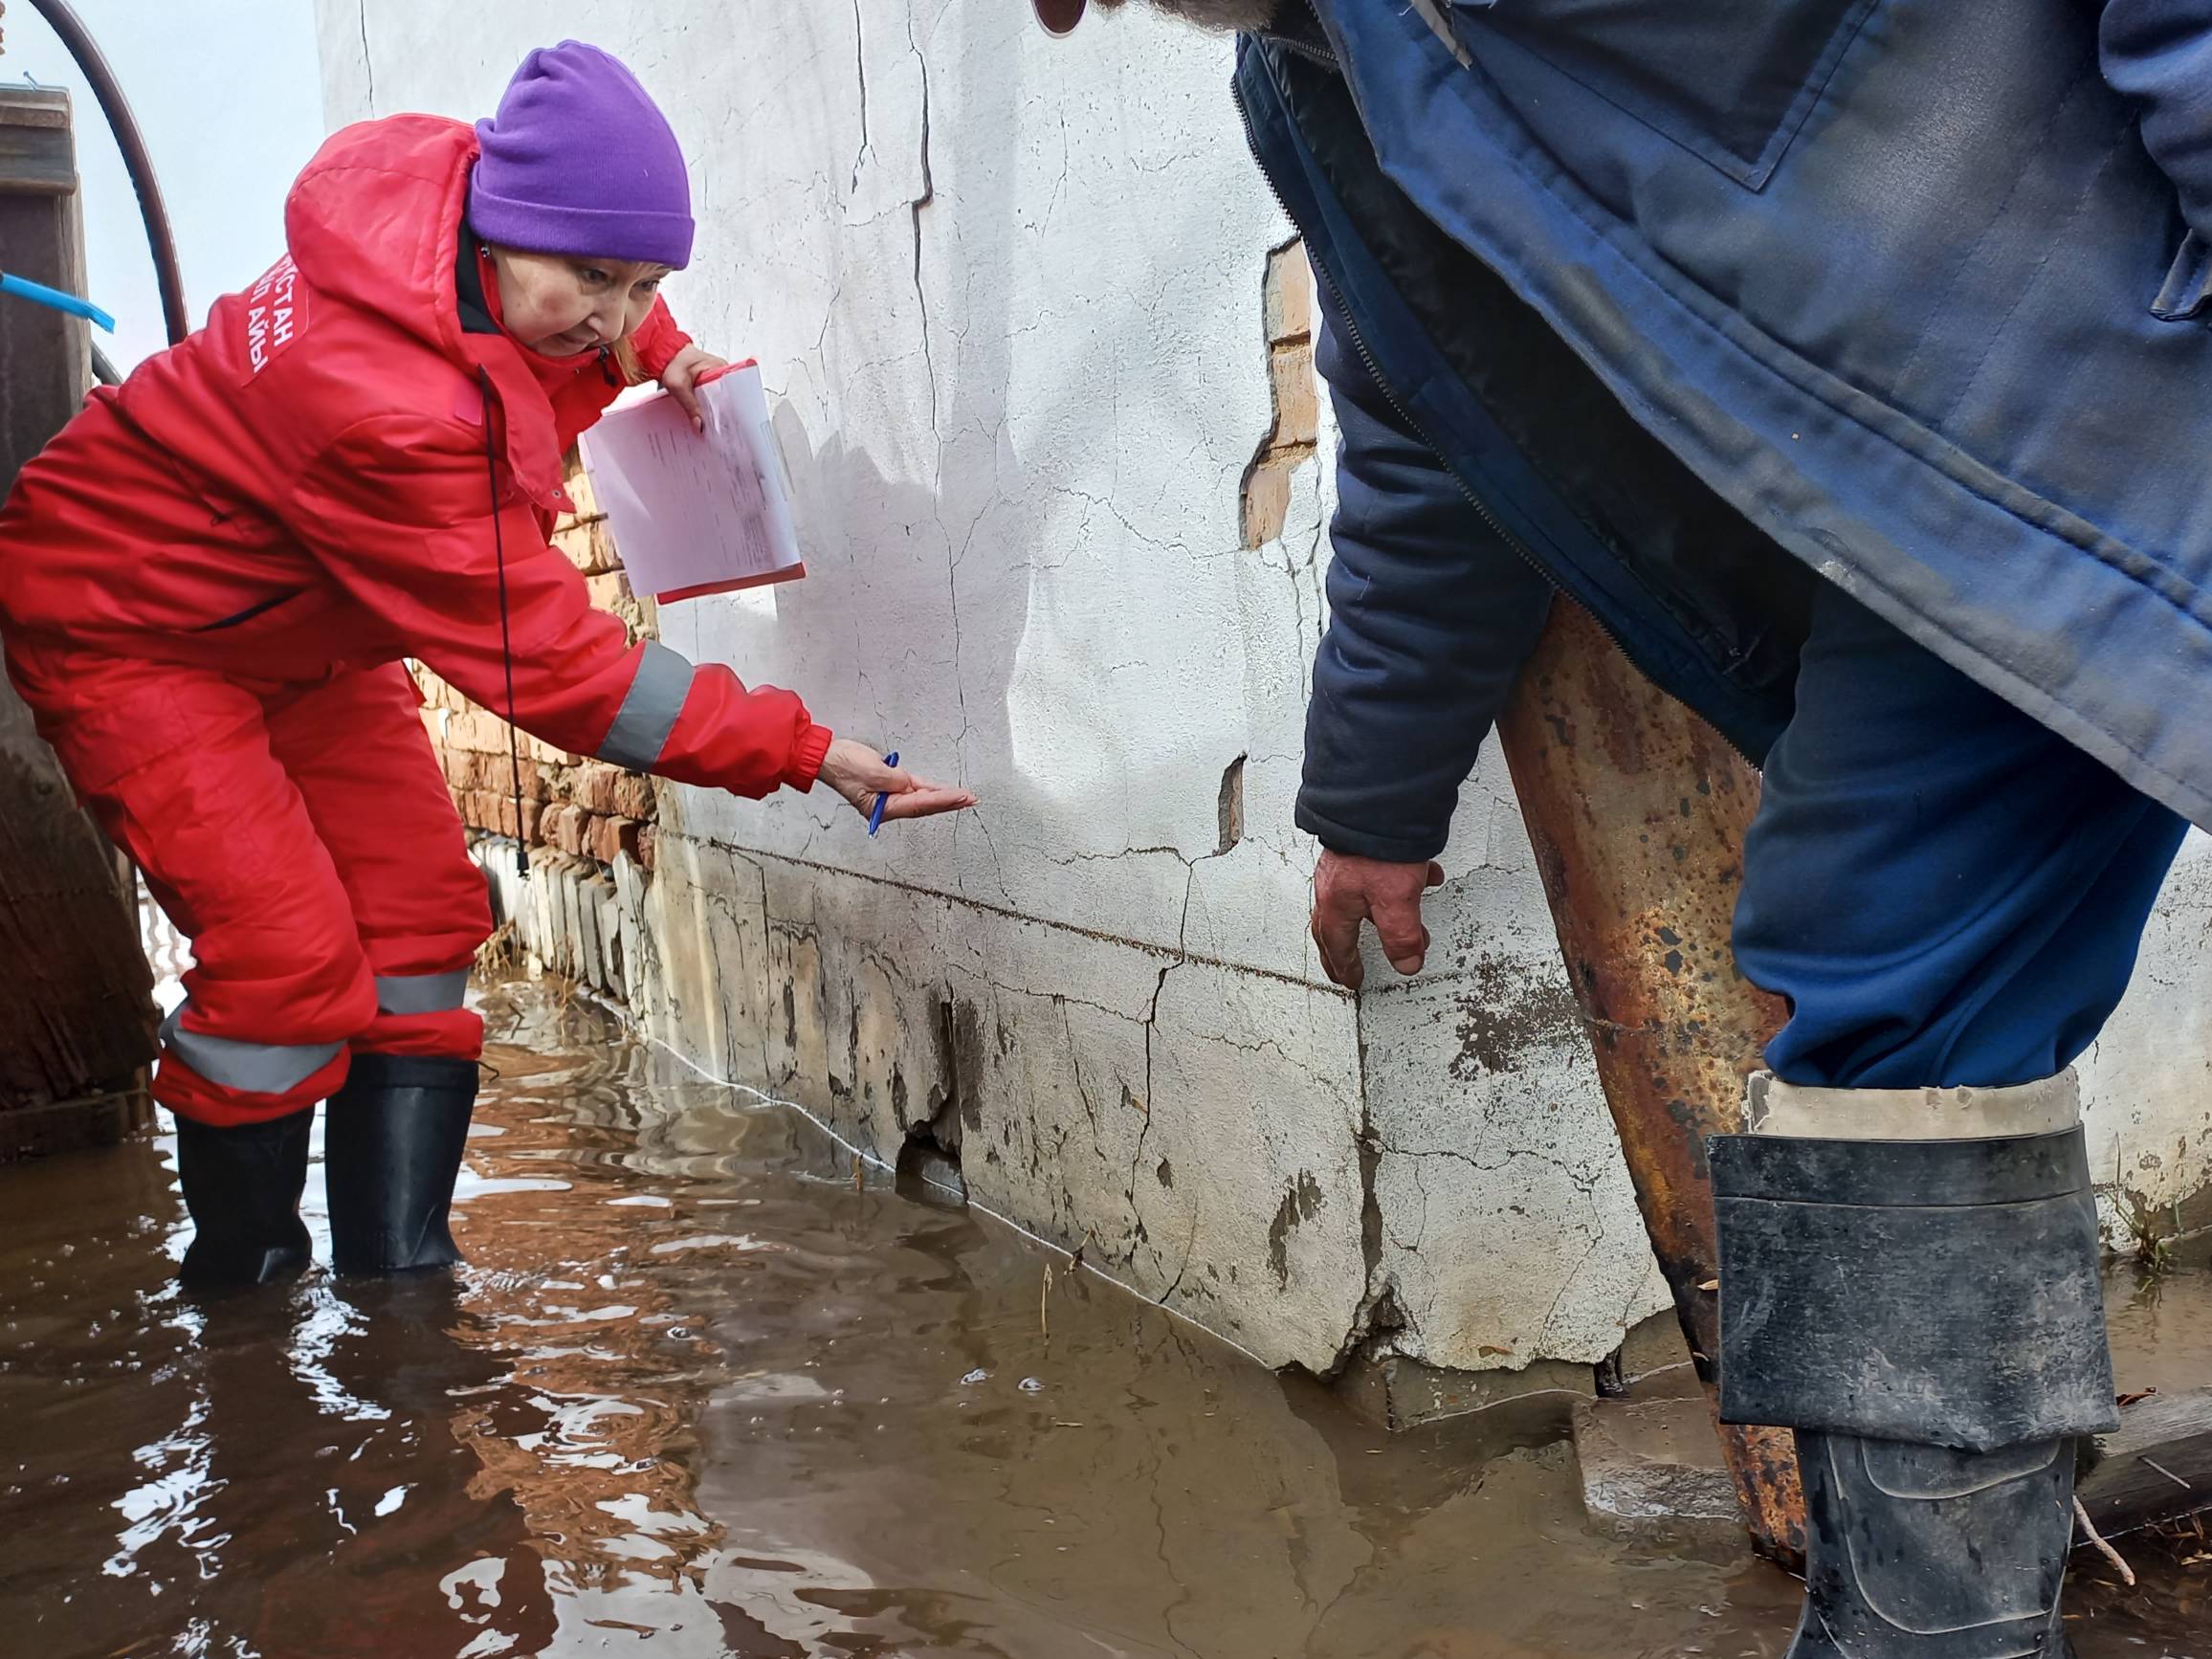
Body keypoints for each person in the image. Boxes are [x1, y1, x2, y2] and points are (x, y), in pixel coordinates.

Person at [1041, 0, 2212, 1651]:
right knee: (1874, 983)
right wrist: (1373, 799)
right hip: (1911, 539)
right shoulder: (1320, 76)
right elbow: (1429, 416)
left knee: (1883, 980)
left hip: (2076, 386)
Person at [0, 41, 973, 1290]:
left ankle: (398, 1288)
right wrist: (800, 748)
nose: (615, 317)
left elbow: (590, 272)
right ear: (503, 231)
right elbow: (561, 674)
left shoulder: (464, 207)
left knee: (421, 919)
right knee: (288, 963)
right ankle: (244, 1308)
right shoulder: (390, 408)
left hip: (307, 625)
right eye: (596, 284)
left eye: (644, 284)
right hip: (131, 621)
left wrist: (660, 348)